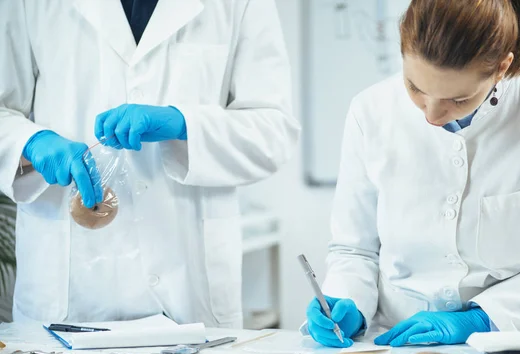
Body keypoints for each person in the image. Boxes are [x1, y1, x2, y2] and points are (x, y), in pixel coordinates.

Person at [305, 0, 520, 348]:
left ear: (502, 67)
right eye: (414, 87)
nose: (431, 114)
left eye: (458, 99)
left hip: (519, 347)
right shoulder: (369, 111)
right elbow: (354, 250)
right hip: (393, 345)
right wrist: (346, 298)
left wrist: (486, 317)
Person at [0, 0, 299, 326]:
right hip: (69, 290)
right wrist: (29, 143)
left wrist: (185, 124)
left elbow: (274, 131)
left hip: (187, 290)